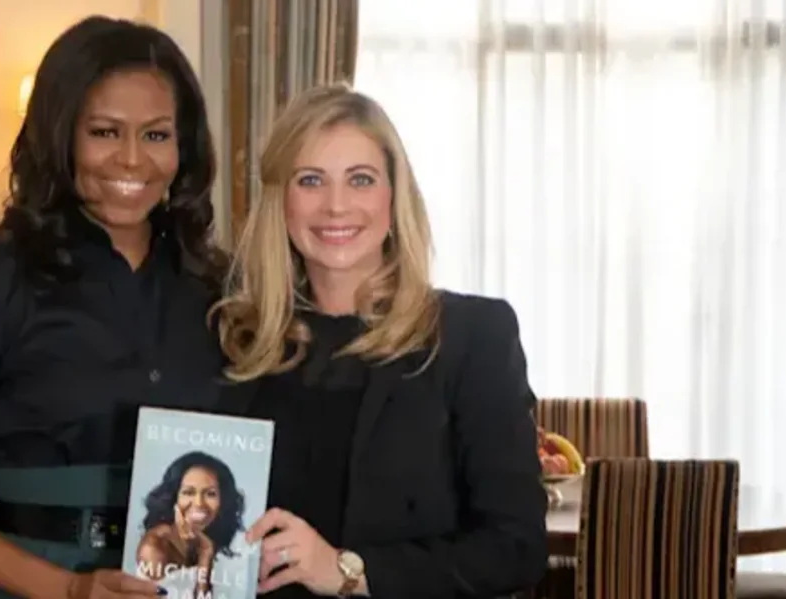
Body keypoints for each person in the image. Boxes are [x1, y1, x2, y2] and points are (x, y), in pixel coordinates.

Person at [0, 15, 227, 599]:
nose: (132, 161)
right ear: (59, 136)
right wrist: (69, 590)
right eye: (104, 132)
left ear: (184, 147)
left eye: (157, 135)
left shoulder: (226, 294)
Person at [209, 84, 549, 598]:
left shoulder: (473, 336)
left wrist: (349, 570)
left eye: (361, 179)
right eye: (311, 180)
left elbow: (516, 549)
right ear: (281, 202)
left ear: (394, 198)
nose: (336, 205)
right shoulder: (235, 340)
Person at [133, 451, 247, 597]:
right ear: (174, 498)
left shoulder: (215, 536)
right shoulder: (155, 546)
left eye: (210, 494)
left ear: (223, 501)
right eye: (188, 492)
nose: (199, 503)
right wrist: (206, 555)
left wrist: (206, 552)